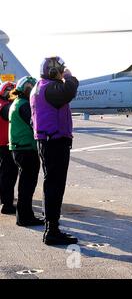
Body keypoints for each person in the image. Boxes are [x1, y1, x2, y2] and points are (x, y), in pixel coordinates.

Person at [30, 56, 79, 245]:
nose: (62, 72)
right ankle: (52, 231)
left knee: (52, 185)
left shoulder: (39, 87)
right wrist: (70, 76)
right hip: (55, 142)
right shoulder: (50, 88)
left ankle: (52, 228)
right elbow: (69, 91)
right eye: (60, 70)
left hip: (48, 140)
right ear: (53, 71)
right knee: (55, 186)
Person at [8, 76, 44, 226]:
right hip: (25, 149)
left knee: (25, 184)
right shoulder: (24, 105)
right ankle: (24, 217)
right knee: (27, 185)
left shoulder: (16, 103)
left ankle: (25, 215)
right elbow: (34, 124)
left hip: (18, 148)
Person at [0, 81, 18, 214]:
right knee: (9, 175)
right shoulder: (6, 107)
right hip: (5, 146)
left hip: (3, 145)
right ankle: (7, 204)